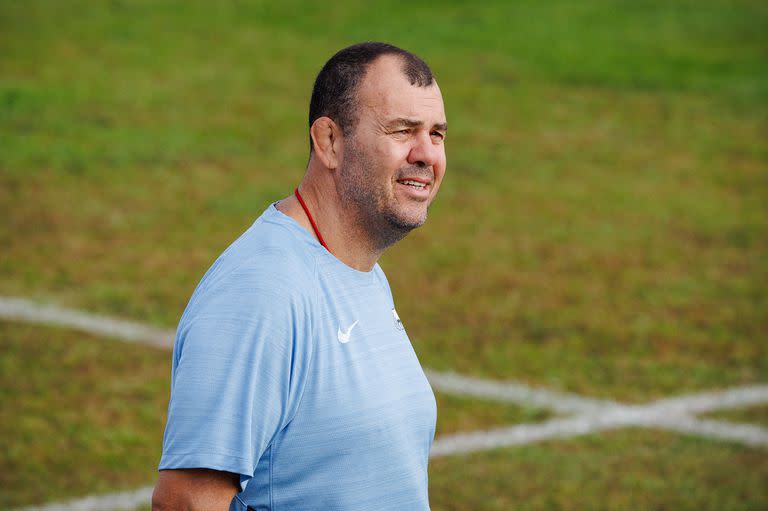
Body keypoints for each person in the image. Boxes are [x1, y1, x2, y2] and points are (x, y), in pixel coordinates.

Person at [152, 42, 448, 511]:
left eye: (437, 134)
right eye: (402, 130)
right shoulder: (262, 290)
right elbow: (186, 501)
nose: (426, 154)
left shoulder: (362, 273)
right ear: (329, 141)